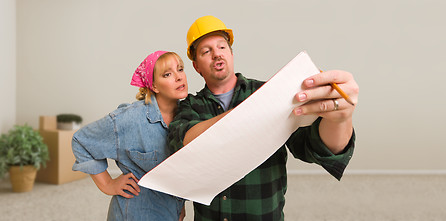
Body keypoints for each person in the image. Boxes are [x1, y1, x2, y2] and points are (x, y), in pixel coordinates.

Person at [167, 15, 359, 220]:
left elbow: (313, 147)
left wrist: (340, 119)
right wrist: (254, 112)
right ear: (196, 66)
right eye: (206, 51)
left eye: (222, 47)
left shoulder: (271, 93)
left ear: (231, 53)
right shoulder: (190, 106)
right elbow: (183, 141)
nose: (216, 55)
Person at [72, 51, 188, 221]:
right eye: (168, 74)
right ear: (154, 86)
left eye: (180, 69)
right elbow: (81, 141)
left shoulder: (188, 118)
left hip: (170, 212)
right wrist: (108, 184)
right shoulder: (130, 118)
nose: (178, 77)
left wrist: (180, 205)